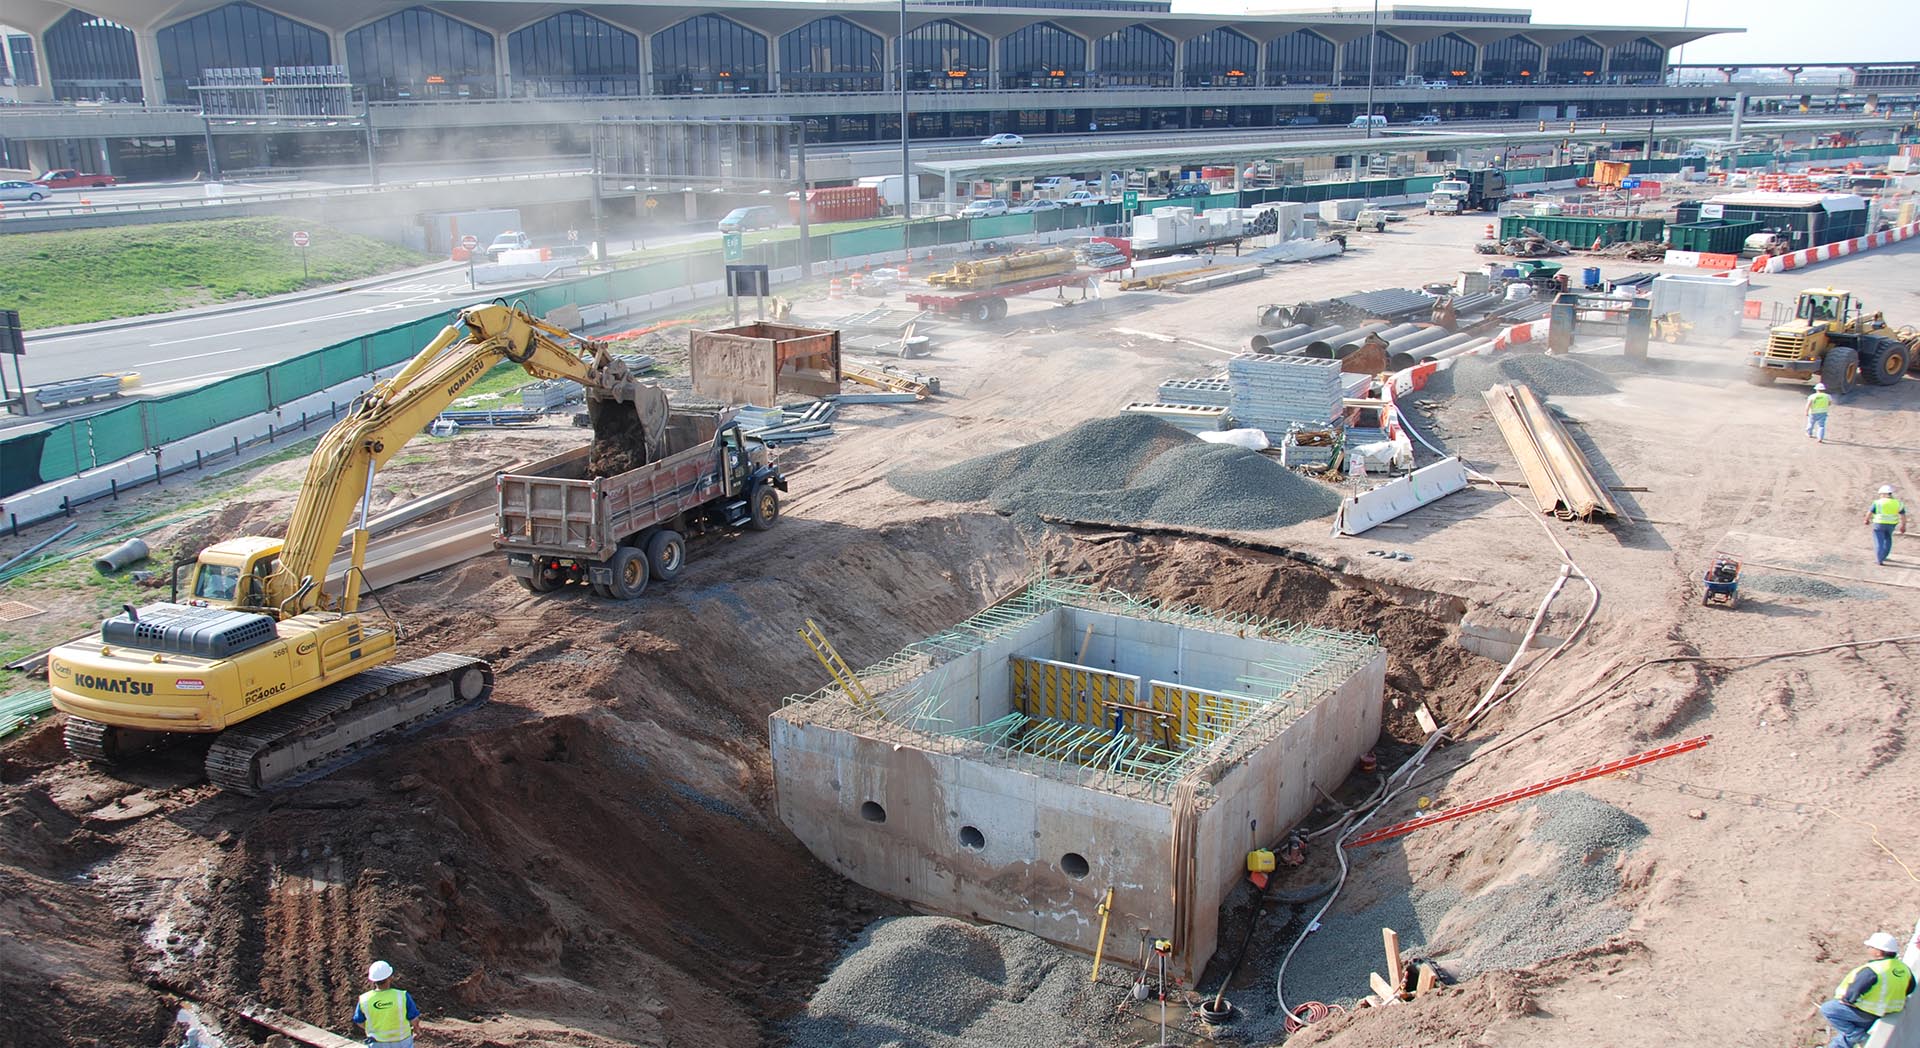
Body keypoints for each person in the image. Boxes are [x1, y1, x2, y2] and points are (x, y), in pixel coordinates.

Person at [1819, 931, 1915, 1048]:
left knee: (1829, 1009)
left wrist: (1846, 1001)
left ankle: (1859, 1036)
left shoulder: (1873, 970)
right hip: (1887, 1011)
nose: (1868, 949)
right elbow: (1910, 988)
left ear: (1879, 952)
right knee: (1845, 1037)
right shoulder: (1903, 968)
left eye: (1870, 947)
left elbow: (1852, 994)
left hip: (1866, 1011)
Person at [353, 961, 420, 1047]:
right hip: (402, 1042)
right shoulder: (402, 996)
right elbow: (414, 1019)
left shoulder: (364, 999)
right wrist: (416, 1029)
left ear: (372, 980)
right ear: (390, 978)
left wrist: (374, 1031)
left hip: (377, 1043)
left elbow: (359, 1021)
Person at [1866, 484, 1907, 566]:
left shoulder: (1877, 503)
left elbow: (1870, 512)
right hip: (1891, 525)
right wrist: (1903, 526)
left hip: (1879, 524)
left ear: (1883, 494)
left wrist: (1866, 520)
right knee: (1888, 539)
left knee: (1879, 541)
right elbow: (1903, 516)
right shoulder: (1898, 503)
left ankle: (1879, 559)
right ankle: (1884, 556)